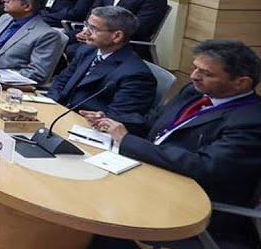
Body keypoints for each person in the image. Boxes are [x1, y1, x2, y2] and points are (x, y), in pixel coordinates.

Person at [91, 40, 261, 248]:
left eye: (206, 73)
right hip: (150, 172)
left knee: (96, 213)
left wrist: (128, 141)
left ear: (241, 83)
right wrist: (112, 122)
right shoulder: (194, 92)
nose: (194, 76)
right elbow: (153, 122)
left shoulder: (251, 121)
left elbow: (204, 166)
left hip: (190, 204)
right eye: (195, 68)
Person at [49, 7, 158, 134]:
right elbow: (61, 81)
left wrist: (98, 118)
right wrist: (51, 105)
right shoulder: (86, 51)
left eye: (93, 28)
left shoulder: (137, 75)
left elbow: (119, 118)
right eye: (86, 25)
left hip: (89, 130)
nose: (85, 32)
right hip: (60, 115)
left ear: (117, 36)